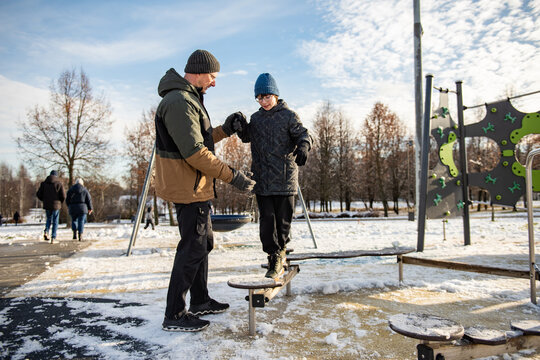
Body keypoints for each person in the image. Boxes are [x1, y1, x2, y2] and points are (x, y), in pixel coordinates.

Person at [155, 49, 255, 332]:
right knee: (193, 246)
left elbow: (201, 139)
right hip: (188, 186)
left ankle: (200, 300)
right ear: (199, 73)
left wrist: (225, 128)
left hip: (194, 185)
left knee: (202, 242)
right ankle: (174, 313)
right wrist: (233, 177)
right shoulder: (179, 101)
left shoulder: (187, 99)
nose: (214, 82)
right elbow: (195, 152)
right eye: (212, 76)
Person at [238, 73, 312, 279]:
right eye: (259, 98)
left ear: (276, 95)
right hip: (262, 179)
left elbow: (303, 134)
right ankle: (274, 256)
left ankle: (281, 251)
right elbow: (246, 137)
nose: (263, 101)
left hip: (285, 179)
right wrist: (240, 125)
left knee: (282, 223)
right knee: (266, 222)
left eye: (267, 97)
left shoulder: (289, 116)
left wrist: (304, 146)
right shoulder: (256, 118)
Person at [36, 170, 66, 244]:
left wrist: (44, 200)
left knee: (48, 219)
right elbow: (63, 195)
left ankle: (46, 231)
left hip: (47, 204)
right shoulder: (59, 184)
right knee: (55, 221)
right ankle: (53, 236)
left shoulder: (44, 184)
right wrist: (60, 202)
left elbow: (38, 194)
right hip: (56, 204)